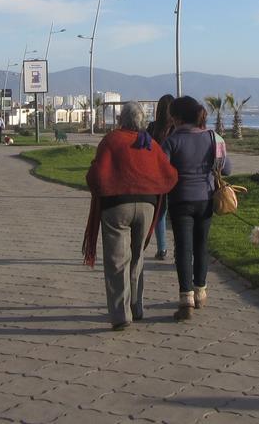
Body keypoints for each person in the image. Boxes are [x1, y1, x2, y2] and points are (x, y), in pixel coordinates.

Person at [83, 103, 177, 330]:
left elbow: (96, 175)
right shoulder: (149, 144)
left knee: (117, 261)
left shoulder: (112, 140)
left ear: (120, 119)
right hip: (147, 206)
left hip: (116, 206)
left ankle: (121, 315)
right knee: (137, 257)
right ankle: (137, 306)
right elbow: (170, 174)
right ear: (142, 121)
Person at [163, 95, 231, 321]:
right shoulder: (215, 137)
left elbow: (162, 170)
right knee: (202, 245)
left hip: (179, 200)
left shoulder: (171, 141)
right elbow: (227, 168)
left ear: (178, 117)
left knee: (183, 248)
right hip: (205, 199)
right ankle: (201, 292)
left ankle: (186, 299)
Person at [147, 94, 176, 260]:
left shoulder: (152, 128)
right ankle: (178, 249)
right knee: (175, 213)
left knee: (160, 212)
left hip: (157, 176)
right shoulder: (176, 129)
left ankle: (162, 248)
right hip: (174, 175)